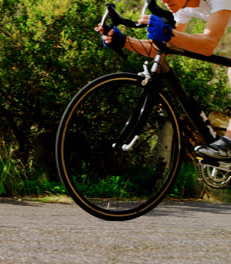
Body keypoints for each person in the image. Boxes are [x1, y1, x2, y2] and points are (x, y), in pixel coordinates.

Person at [97, 0, 231, 160]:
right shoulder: (182, 7)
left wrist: (169, 33)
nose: (164, 0)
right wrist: (124, 41)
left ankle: (229, 143)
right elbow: (161, 48)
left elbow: (208, 45)